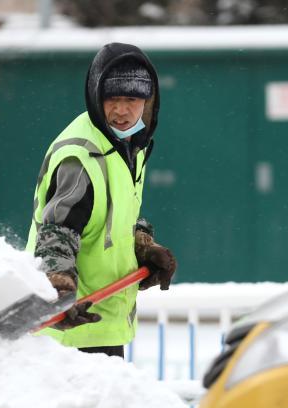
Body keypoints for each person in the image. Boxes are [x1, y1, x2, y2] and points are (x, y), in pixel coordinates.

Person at [25, 42, 177, 358]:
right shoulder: (81, 156)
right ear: (96, 97)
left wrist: (143, 247)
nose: (121, 111)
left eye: (131, 100)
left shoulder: (127, 147)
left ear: (147, 103)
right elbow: (57, 236)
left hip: (102, 322)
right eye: (113, 99)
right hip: (70, 330)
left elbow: (109, 220)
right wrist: (59, 293)